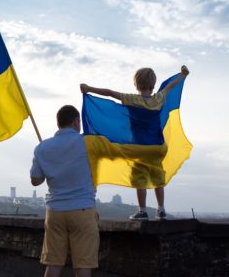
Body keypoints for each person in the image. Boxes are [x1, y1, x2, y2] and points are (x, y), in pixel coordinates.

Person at [80, 65, 189, 220]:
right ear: (153, 85)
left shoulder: (132, 99)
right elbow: (171, 86)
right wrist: (182, 75)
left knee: (139, 177)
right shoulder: (158, 99)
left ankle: (142, 211)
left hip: (138, 147)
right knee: (158, 177)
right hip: (157, 147)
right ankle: (161, 209)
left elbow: (110, 93)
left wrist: (89, 88)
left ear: (136, 84)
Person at [30, 105, 99, 277]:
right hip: (82, 209)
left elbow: (35, 180)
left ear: (58, 123)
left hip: (55, 212)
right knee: (82, 266)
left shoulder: (42, 148)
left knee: (53, 265)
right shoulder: (88, 143)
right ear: (76, 121)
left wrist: (48, 166)